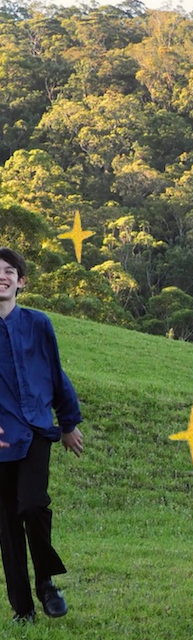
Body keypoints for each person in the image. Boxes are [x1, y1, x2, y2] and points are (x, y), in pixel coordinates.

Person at [0, 247, 83, 625]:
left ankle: (46, 583)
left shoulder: (38, 323)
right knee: (7, 525)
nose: (2, 276)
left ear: (21, 281)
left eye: (9, 271)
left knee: (33, 505)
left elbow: (55, 373)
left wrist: (68, 423)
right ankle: (23, 609)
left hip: (34, 430)